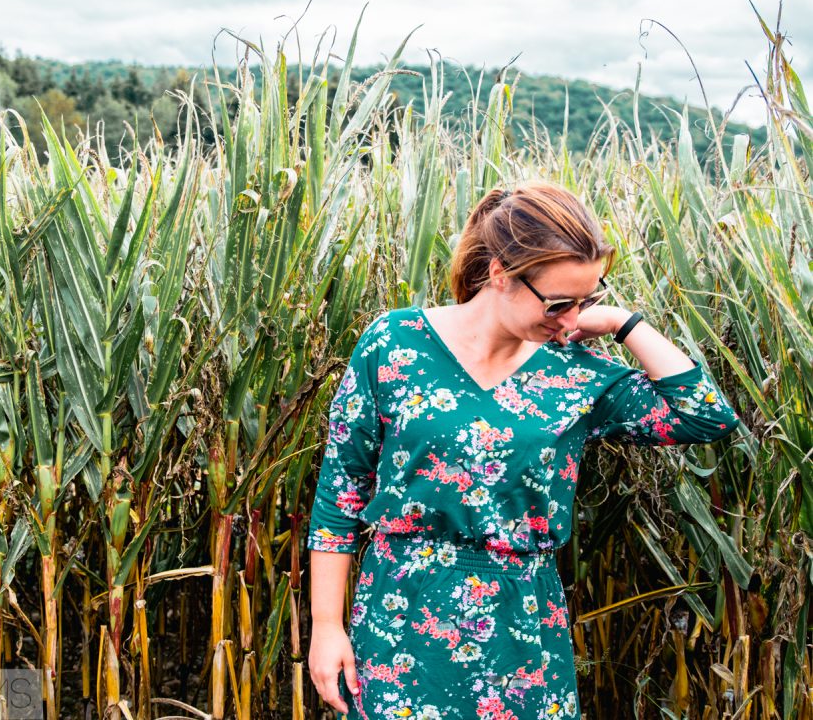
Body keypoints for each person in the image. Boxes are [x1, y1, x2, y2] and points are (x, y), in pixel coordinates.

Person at [305, 181, 741, 719]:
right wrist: (326, 627)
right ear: (500, 275)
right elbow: (341, 492)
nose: (572, 320)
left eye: (589, 299)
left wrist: (626, 324)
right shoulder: (394, 343)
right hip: (401, 613)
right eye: (560, 302)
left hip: (524, 622)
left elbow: (705, 416)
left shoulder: (576, 375)